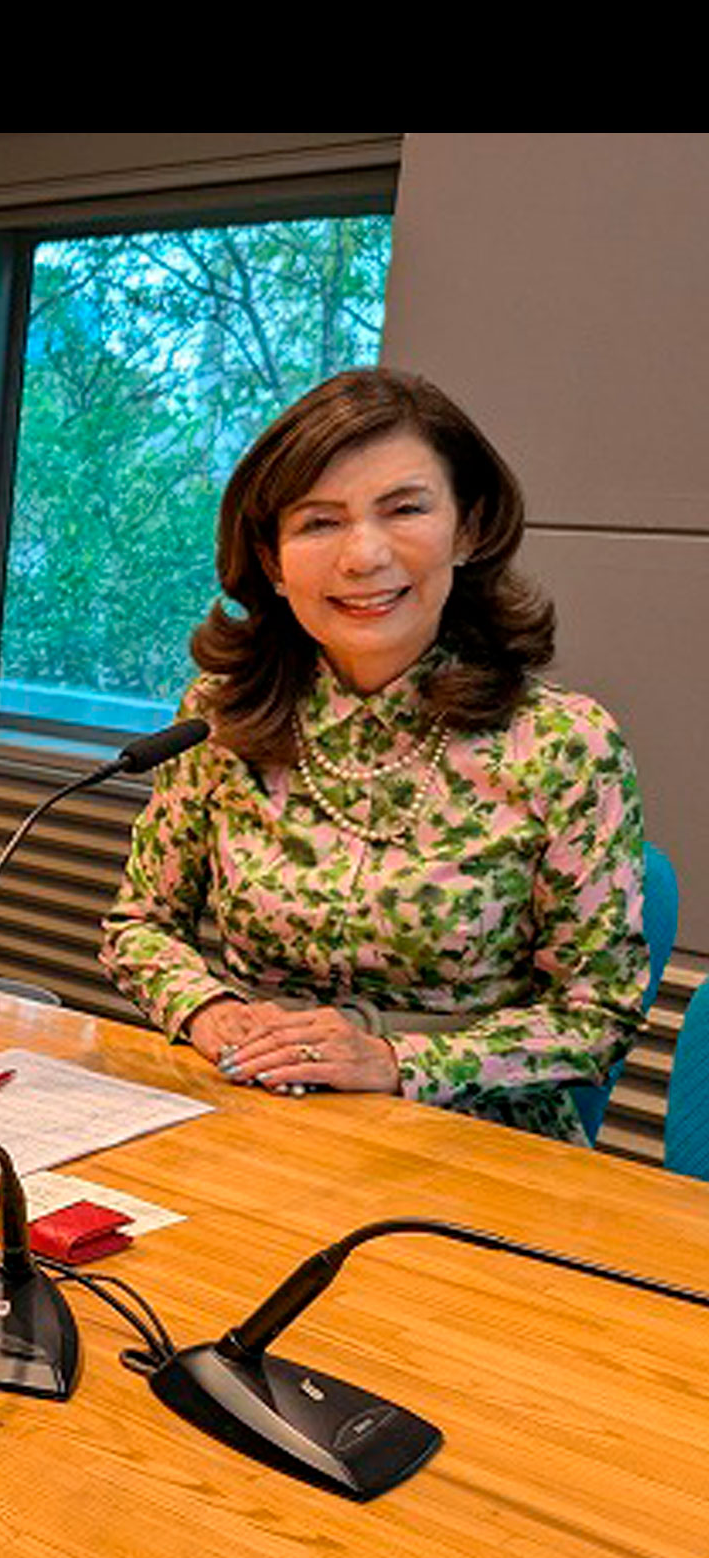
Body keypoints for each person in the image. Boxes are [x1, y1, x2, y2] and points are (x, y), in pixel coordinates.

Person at [101, 366, 648, 1143]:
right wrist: (211, 1012)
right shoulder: (220, 715)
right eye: (319, 523)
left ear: (469, 528)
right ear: (272, 560)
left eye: (404, 509)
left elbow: (597, 1015)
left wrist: (396, 1061)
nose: (362, 556)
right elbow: (140, 925)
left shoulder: (564, 744)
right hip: (254, 1114)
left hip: (470, 1144)